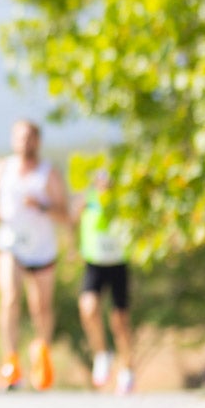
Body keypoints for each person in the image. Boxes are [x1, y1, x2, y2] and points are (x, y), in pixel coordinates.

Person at [0, 119, 69, 391]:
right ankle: (11, 363)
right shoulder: (2, 168)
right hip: (10, 244)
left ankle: (41, 356)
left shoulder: (48, 173)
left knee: (40, 307)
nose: (24, 142)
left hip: (41, 249)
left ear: (37, 141)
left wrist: (41, 206)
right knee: (9, 297)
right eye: (19, 137)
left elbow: (64, 215)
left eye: (29, 137)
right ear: (12, 140)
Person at [73, 169, 135, 394]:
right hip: (95, 263)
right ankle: (102, 354)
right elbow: (74, 222)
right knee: (88, 308)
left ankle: (127, 369)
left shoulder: (124, 203)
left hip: (118, 263)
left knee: (120, 320)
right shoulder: (87, 202)